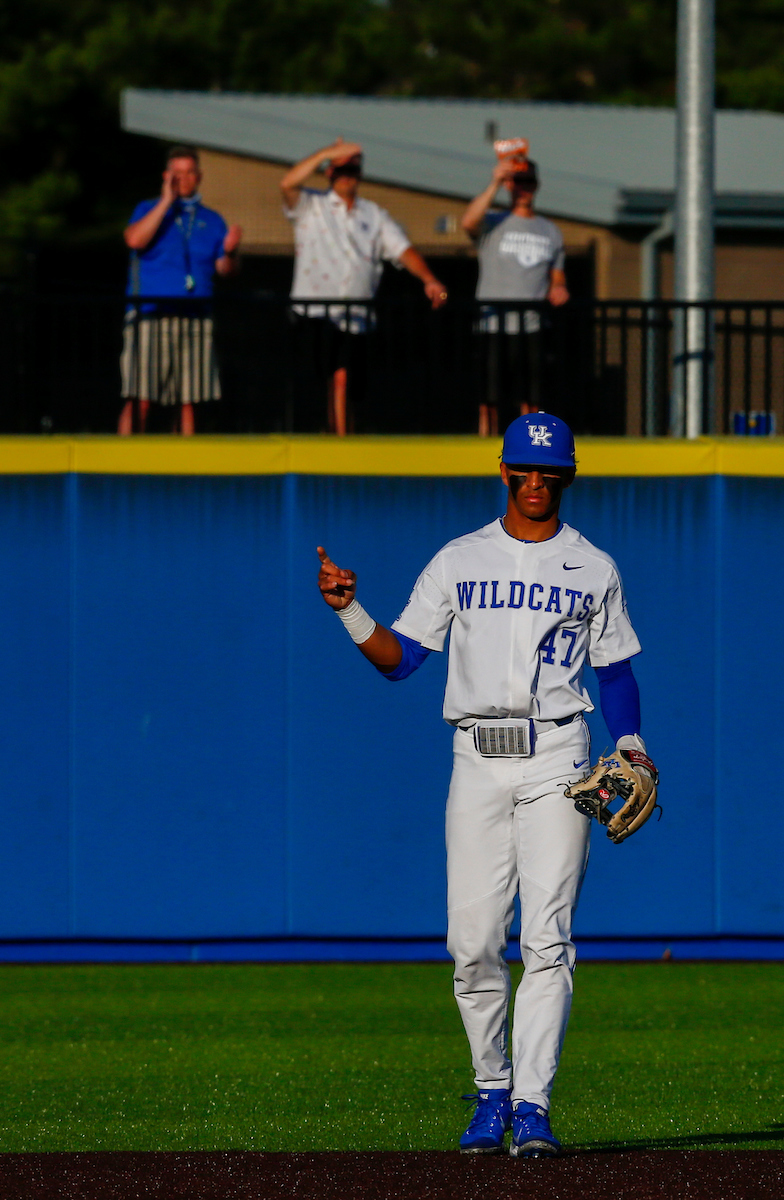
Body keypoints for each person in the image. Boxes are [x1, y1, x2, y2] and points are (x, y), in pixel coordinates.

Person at [316, 412, 655, 1157]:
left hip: (560, 758)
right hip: (477, 757)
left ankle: (532, 1103)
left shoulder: (592, 565)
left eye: (550, 472)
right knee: (471, 943)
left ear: (565, 477)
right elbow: (403, 659)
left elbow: (615, 669)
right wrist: (348, 610)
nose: (537, 483)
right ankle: (491, 1088)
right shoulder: (460, 559)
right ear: (503, 472)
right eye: (525, 470)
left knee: (547, 938)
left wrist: (630, 743)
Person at [280, 139, 448, 435]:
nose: (347, 177)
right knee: (321, 383)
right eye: (341, 170)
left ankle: (342, 438)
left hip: (356, 315)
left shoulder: (373, 214)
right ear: (329, 173)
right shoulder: (312, 204)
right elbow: (287, 184)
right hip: (314, 311)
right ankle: (328, 436)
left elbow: (402, 249)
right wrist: (325, 152)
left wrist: (429, 279)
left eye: (353, 171)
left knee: (347, 381)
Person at [119, 146, 242, 436]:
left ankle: (187, 468)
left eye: (189, 173)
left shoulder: (212, 220)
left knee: (190, 401)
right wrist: (166, 202)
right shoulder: (148, 208)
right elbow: (134, 240)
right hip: (149, 318)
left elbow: (226, 269)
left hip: (195, 319)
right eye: (177, 173)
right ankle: (122, 463)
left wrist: (232, 253)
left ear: (199, 177)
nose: (183, 179)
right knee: (141, 397)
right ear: (166, 176)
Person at [462, 143, 569, 436]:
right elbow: (468, 221)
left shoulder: (550, 230)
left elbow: (557, 275)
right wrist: (495, 181)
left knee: (531, 397)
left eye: (528, 182)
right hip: (493, 322)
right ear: (510, 184)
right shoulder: (494, 222)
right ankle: (487, 445)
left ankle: (529, 448)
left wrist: (559, 288)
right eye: (518, 181)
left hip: (531, 323)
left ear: (536, 185)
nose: (523, 188)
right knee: (490, 396)